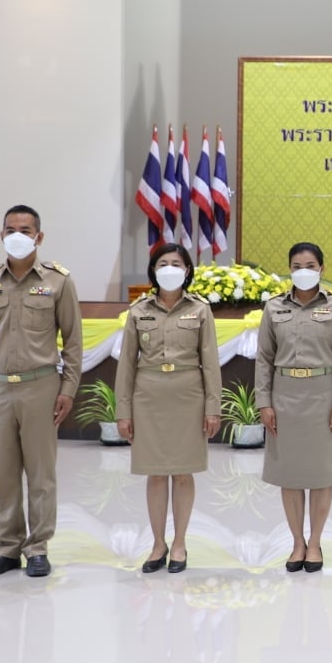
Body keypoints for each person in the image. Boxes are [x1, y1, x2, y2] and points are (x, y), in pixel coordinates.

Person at [0, 204, 83, 579]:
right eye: (11, 229)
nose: (18, 235)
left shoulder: (58, 282)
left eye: (26, 229)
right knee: (3, 474)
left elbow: (74, 342)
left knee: (41, 474)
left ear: (39, 237)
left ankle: (38, 548)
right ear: (1, 235)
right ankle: (6, 548)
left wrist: (68, 389)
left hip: (41, 388)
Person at [115, 242, 222, 573]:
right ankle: (158, 543)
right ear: (153, 270)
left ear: (187, 270)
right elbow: (126, 366)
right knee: (156, 473)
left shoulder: (200, 310)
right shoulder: (139, 311)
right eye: (163, 263)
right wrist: (123, 411)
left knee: (183, 471)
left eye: (176, 263)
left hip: (188, 396)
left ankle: (179, 543)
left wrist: (212, 407)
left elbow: (211, 363)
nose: (170, 268)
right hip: (148, 396)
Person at [255, 242, 332, 573]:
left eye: (310, 265)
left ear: (322, 269)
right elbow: (264, 358)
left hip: (323, 394)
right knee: (291, 474)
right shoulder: (273, 308)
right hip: (284, 396)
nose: (304, 271)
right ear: (289, 269)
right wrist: (264, 402)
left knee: (321, 473)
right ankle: (297, 542)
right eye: (297, 265)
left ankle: (315, 544)